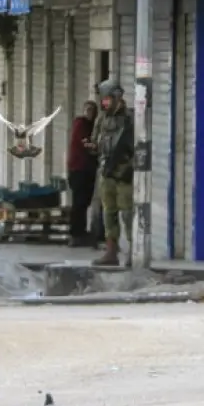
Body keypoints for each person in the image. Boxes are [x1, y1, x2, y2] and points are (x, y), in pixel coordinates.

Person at [84, 79, 134, 266]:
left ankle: (132, 252)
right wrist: (92, 147)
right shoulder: (102, 119)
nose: (104, 103)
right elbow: (96, 142)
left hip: (124, 174)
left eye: (107, 99)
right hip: (106, 172)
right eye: (102, 100)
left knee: (127, 213)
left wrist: (129, 166)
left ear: (117, 98)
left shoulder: (130, 119)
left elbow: (139, 147)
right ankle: (111, 252)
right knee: (108, 213)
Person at [66, 101, 99, 247]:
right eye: (88, 110)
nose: (90, 113)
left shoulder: (91, 126)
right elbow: (86, 143)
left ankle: (80, 232)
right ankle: (76, 233)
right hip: (79, 169)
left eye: (93, 110)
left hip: (87, 169)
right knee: (79, 203)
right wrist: (97, 148)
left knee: (84, 202)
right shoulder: (81, 124)